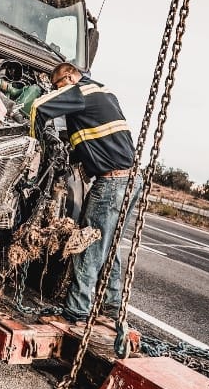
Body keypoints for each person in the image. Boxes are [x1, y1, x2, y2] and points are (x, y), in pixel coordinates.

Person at [29, 62, 142, 324]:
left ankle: (76, 310)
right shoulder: (103, 93)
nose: (58, 91)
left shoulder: (80, 92)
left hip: (112, 182)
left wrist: (34, 149)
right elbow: (90, 141)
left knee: (88, 242)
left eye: (58, 85)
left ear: (69, 77)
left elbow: (38, 108)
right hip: (132, 180)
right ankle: (111, 305)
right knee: (108, 246)